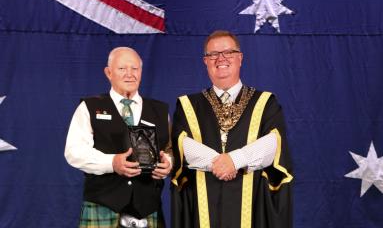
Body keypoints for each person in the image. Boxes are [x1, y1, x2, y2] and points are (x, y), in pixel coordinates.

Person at [171, 30, 293, 228]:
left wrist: (235, 160)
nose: (221, 59)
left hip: (252, 204)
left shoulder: (265, 102)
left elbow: (273, 144)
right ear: (205, 61)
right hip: (203, 204)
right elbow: (182, 145)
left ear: (240, 58)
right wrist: (219, 163)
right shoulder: (188, 105)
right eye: (213, 54)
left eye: (228, 52)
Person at [65, 47, 172, 228]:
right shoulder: (90, 107)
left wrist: (168, 163)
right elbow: (74, 151)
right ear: (109, 73)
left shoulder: (160, 111)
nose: (129, 74)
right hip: (103, 206)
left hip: (148, 207)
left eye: (135, 69)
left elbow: (169, 150)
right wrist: (112, 163)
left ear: (141, 72)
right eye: (122, 68)